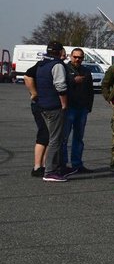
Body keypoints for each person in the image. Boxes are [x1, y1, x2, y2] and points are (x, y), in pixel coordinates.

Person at [35, 42, 70, 182]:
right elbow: (60, 85)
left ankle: (49, 167)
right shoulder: (57, 65)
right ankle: (50, 171)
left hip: (43, 105)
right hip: (54, 106)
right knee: (55, 139)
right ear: (59, 51)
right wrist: (64, 103)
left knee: (51, 138)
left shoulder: (41, 64)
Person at [64, 48, 95, 172]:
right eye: (75, 57)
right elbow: (59, 84)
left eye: (80, 57)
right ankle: (63, 164)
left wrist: (88, 107)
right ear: (70, 57)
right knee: (64, 138)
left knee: (79, 138)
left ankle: (77, 164)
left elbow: (90, 91)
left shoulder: (86, 71)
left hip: (82, 109)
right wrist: (72, 80)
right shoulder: (64, 69)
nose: (77, 59)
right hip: (69, 107)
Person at [24, 60, 51, 177]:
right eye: (62, 54)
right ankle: (37, 167)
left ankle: (45, 166)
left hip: (48, 105)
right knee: (44, 134)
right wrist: (34, 93)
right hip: (41, 105)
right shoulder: (42, 65)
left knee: (50, 135)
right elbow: (27, 76)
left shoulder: (54, 65)